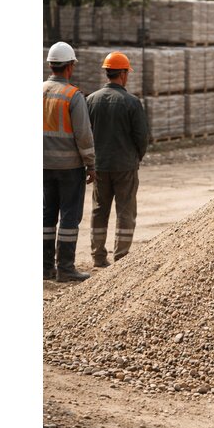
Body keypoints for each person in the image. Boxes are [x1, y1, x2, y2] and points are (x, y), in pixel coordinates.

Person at [86, 52, 149, 267]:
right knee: (125, 211)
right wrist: (135, 158)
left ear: (107, 72)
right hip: (125, 166)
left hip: (100, 166)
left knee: (99, 211)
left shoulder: (91, 100)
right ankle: (121, 258)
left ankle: (98, 256)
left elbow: (85, 134)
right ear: (123, 73)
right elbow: (141, 137)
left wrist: (90, 162)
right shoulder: (132, 102)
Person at [43, 41, 96, 282]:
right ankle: (65, 268)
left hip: (42, 165)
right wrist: (91, 164)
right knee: (68, 216)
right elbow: (83, 134)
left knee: (46, 216)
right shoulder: (73, 96)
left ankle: (44, 268)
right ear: (70, 67)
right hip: (69, 167)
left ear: (51, 66)